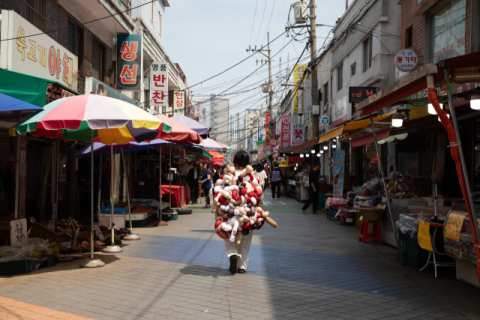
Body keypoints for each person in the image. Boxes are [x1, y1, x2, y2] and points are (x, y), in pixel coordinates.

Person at [224, 150, 253, 274]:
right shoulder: (251, 176)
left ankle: (232, 255)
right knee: (245, 240)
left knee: (230, 237)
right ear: (248, 163)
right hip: (247, 213)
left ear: (234, 162)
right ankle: (242, 266)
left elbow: (220, 191)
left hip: (230, 211)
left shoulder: (229, 175)